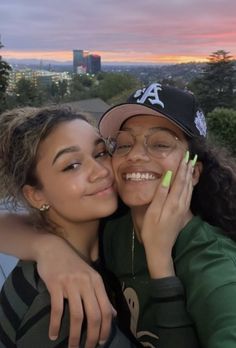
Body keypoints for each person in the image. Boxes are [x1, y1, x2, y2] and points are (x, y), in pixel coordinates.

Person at [0, 105, 199, 348]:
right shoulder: (62, 307)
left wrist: (47, 247)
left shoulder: (112, 235)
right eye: (72, 165)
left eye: (101, 153)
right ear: (36, 196)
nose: (100, 171)